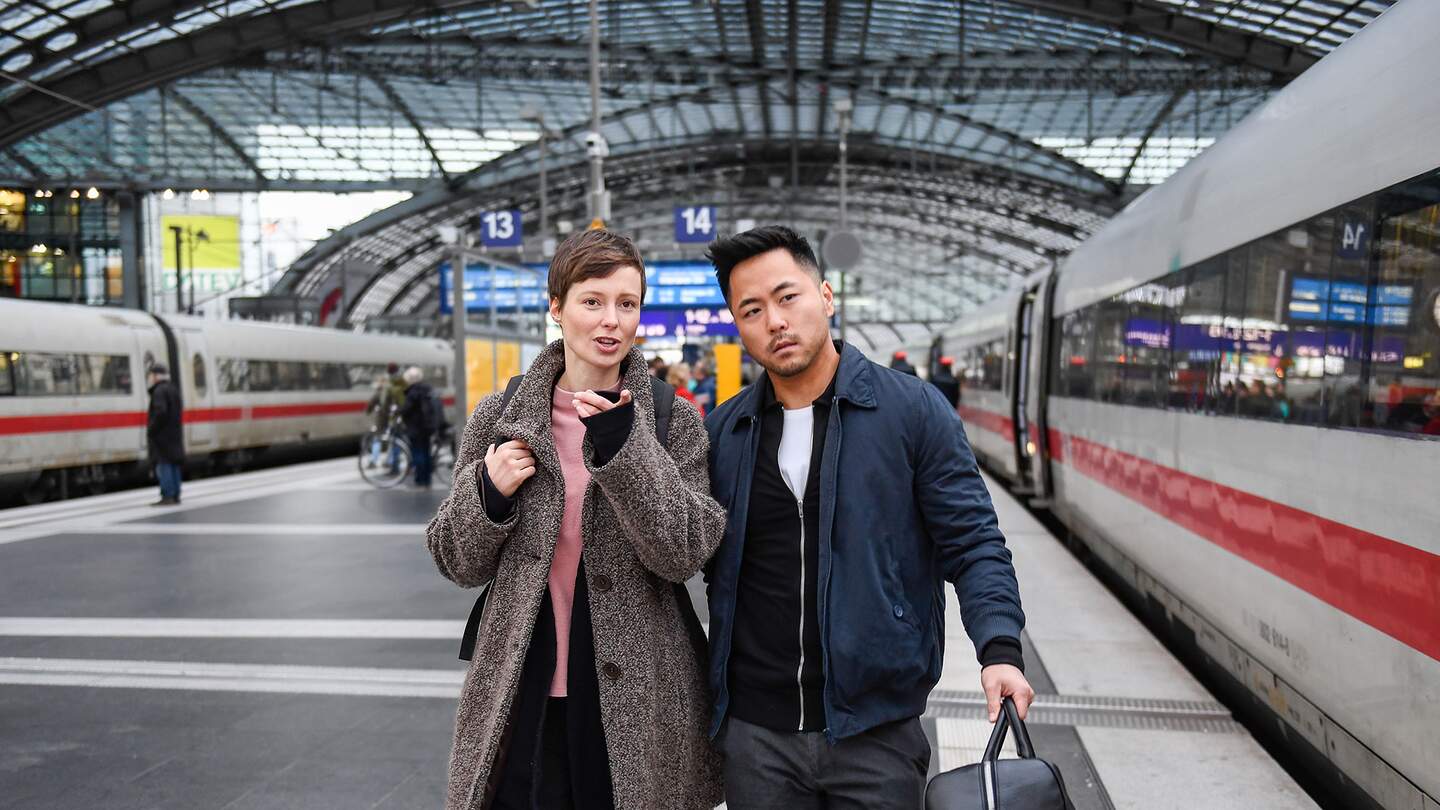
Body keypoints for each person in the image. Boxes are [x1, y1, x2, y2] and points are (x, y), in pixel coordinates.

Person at [702, 226, 1032, 809]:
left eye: (788, 297)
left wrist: (999, 648)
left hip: (876, 733)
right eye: (751, 309)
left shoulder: (910, 411)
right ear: (737, 324)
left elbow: (973, 541)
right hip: (756, 737)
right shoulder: (725, 432)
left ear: (825, 297)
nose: (775, 321)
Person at [425, 229, 725, 810]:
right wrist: (489, 493)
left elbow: (686, 553)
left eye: (627, 303)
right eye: (593, 301)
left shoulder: (671, 421)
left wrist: (626, 454)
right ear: (558, 308)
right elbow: (454, 559)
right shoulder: (503, 416)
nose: (611, 320)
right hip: (521, 682)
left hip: (638, 696)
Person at [146, 363, 184, 506]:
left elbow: (160, 412)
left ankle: (167, 495)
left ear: (156, 376)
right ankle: (175, 494)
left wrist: (152, 428)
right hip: (174, 433)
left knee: (164, 464)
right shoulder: (173, 389)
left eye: (151, 375)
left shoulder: (159, 391)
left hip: (163, 435)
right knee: (173, 463)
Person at [400, 366, 437, 489]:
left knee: (418, 454)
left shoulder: (412, 393)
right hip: (427, 427)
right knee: (426, 453)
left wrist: (398, 411)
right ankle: (427, 480)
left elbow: (405, 410)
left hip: (415, 429)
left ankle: (420, 480)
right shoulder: (426, 390)